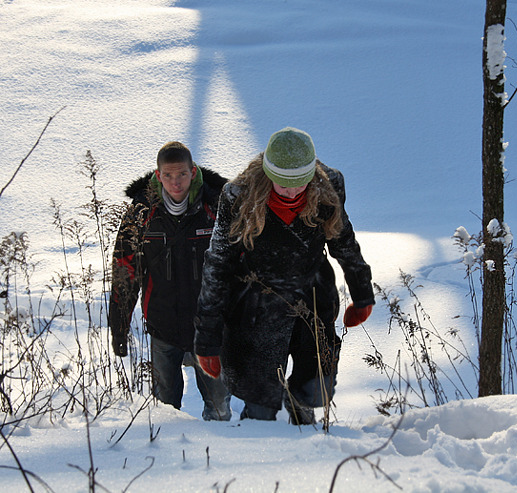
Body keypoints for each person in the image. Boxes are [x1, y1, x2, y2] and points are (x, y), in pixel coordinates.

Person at [193, 127, 374, 424]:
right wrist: (207, 339)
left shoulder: (328, 188)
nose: (292, 192)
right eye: (283, 185)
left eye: (299, 185)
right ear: (268, 173)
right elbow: (218, 263)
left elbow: (343, 241)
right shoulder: (239, 196)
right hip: (255, 305)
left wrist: (362, 294)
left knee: (312, 390)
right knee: (260, 406)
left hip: (312, 299)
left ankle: (306, 433)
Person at [109, 141, 232, 421]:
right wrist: (119, 326)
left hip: (210, 329)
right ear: (158, 174)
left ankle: (220, 459)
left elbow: (240, 267)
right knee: (165, 411)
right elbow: (125, 272)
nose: (176, 183)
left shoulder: (218, 208)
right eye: (168, 175)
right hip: (163, 326)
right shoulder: (141, 215)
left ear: (193, 172)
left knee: (219, 407)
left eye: (182, 175)